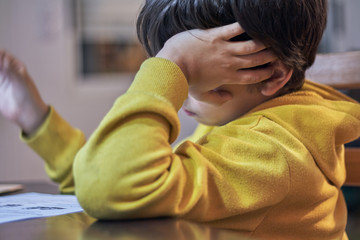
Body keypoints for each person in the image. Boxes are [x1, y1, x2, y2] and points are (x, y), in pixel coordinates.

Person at [0, 0, 359, 239]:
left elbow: (114, 186)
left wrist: (173, 63)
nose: (177, 89)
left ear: (270, 76)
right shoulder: (242, 123)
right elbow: (110, 180)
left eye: (186, 73)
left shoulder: (272, 148)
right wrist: (34, 116)